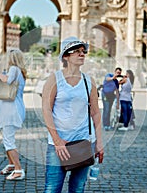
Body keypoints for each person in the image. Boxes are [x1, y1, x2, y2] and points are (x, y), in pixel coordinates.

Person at [42, 36, 104, 192]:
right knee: (52, 189)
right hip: (59, 145)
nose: (82, 54)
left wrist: (99, 142)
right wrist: (57, 140)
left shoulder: (89, 81)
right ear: (66, 56)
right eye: (76, 51)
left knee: (77, 189)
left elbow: (95, 113)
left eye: (83, 51)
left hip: (82, 142)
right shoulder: (54, 79)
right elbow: (46, 110)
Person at [0, 49, 27, 180]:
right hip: (12, 108)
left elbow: (8, 80)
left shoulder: (14, 69)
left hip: (10, 110)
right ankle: (11, 164)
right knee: (7, 138)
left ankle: (18, 169)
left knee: (9, 141)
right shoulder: (19, 71)